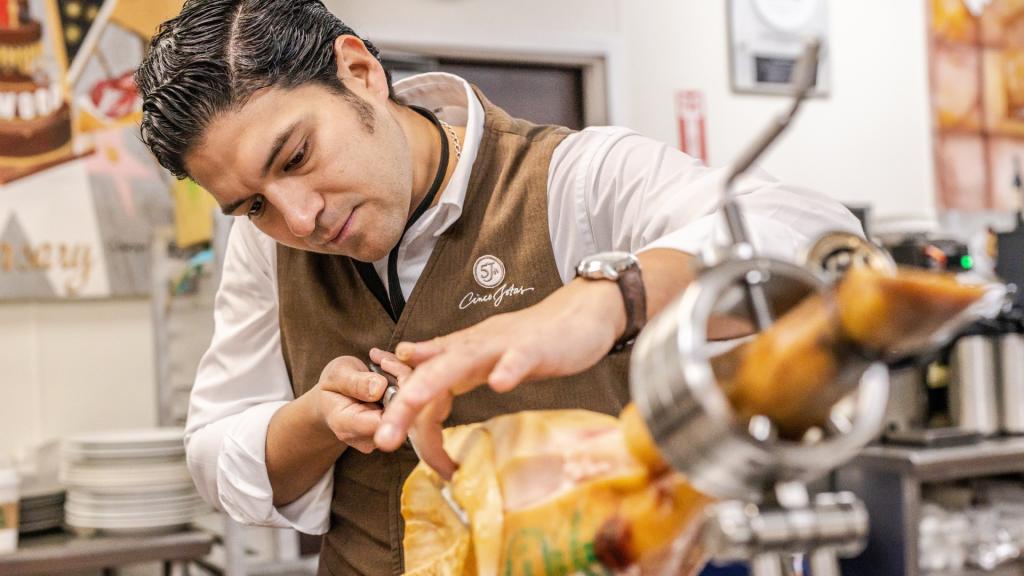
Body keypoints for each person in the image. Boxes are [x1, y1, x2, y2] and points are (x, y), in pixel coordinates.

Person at [136, 0, 861, 573]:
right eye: (252, 205)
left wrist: (607, 298)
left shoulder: (578, 180)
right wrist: (318, 421)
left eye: (296, 155)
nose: (299, 216)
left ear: (358, 72)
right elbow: (213, 450)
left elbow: (821, 244)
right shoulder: (266, 250)